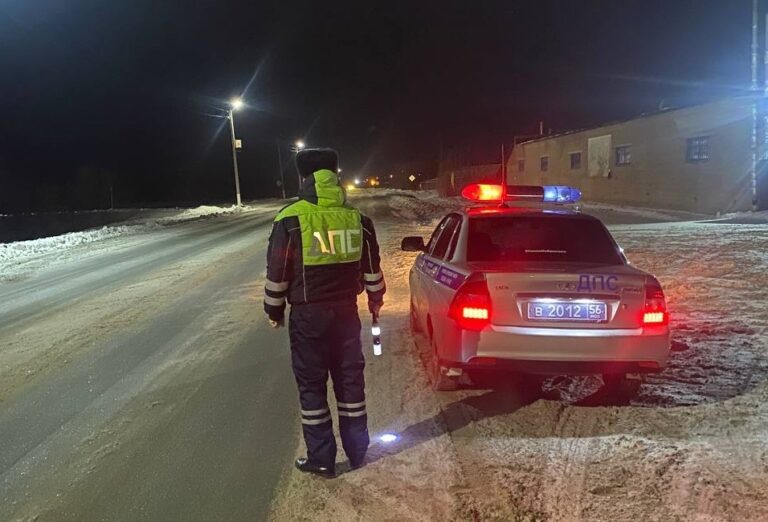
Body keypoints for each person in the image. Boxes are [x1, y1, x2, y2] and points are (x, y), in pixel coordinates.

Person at [264, 148, 385, 478]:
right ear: (335, 175)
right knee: (350, 382)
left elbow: (278, 272)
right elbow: (372, 268)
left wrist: (273, 309)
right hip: (347, 313)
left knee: (312, 386)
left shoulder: (290, 218)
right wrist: (375, 299)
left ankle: (321, 458)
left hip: (308, 317)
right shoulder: (358, 219)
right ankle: (358, 451)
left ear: (304, 178)